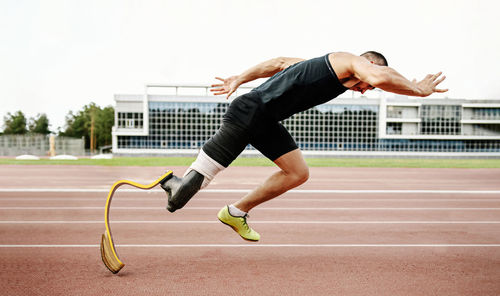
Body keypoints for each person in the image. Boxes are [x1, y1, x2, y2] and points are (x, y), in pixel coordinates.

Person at [160, 51, 447, 241]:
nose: (365, 90)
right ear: (367, 63)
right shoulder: (350, 60)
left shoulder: (324, 67)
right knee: (183, 193)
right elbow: (381, 76)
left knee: (297, 173)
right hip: (250, 111)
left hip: (265, 119)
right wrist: (417, 89)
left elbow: (278, 62)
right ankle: (167, 182)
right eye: (367, 85)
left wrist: (240, 77)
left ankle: (235, 212)